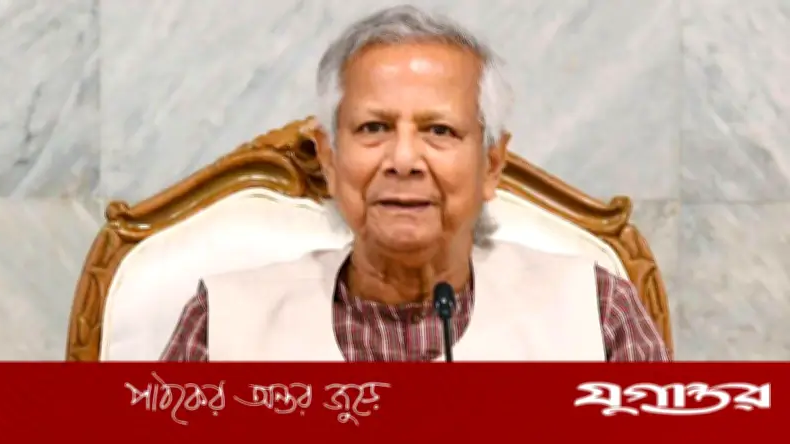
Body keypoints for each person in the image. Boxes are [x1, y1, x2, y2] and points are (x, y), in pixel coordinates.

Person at [161, 5, 670, 362]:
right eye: (373, 128)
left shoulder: (597, 311)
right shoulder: (222, 323)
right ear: (329, 159)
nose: (403, 160)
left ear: (492, 164)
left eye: (439, 130)